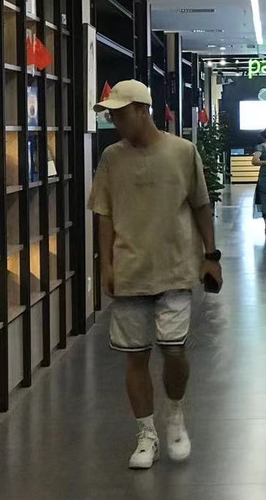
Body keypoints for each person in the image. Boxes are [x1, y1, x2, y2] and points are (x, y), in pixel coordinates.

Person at [87, 80, 222, 470]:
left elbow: (200, 204)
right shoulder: (112, 157)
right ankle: (146, 434)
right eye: (111, 115)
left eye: (120, 113)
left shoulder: (182, 151)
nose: (114, 121)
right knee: (135, 357)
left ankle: (175, 413)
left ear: (142, 110)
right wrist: (105, 265)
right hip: (130, 270)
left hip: (176, 267)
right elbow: (104, 214)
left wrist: (211, 256)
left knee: (174, 350)